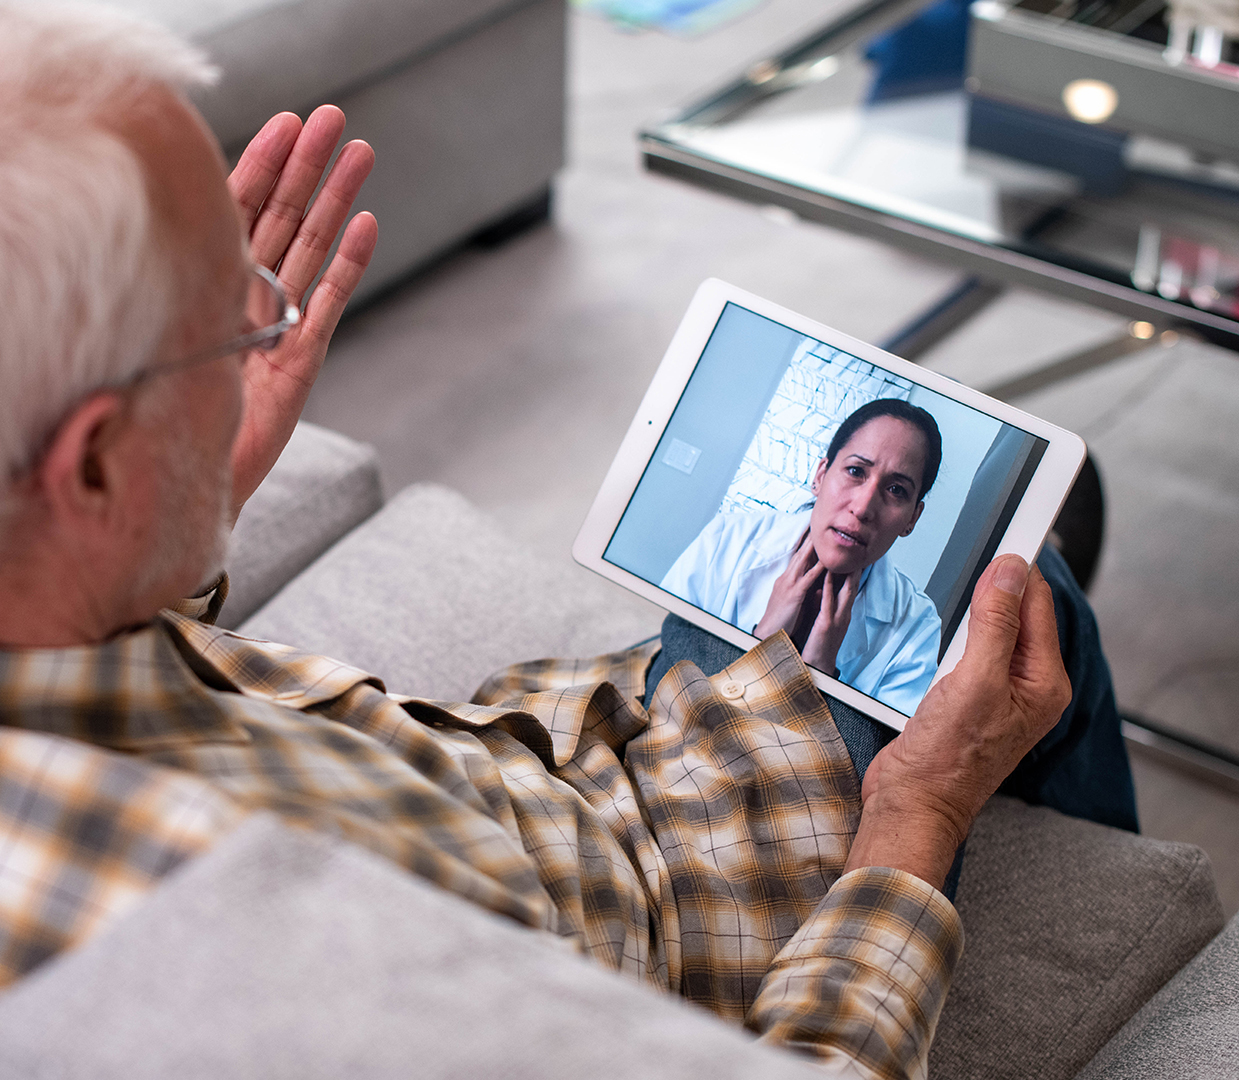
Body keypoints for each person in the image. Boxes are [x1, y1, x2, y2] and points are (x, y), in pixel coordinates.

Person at [0, 6, 1131, 1079]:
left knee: (1022, 559)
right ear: (93, 460)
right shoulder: (208, 949)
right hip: (706, 890)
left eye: (902, 493)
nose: (273, 319)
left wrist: (186, 499)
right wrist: (920, 811)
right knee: (1041, 596)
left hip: (558, 749)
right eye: (226, 315)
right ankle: (1117, 937)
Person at [662, 399, 942, 715]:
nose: (862, 508)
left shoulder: (917, 627)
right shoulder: (726, 538)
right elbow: (666, 670)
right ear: (821, 475)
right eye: (855, 471)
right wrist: (764, 639)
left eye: (896, 490)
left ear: (912, 519)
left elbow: (867, 756)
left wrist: (821, 672)